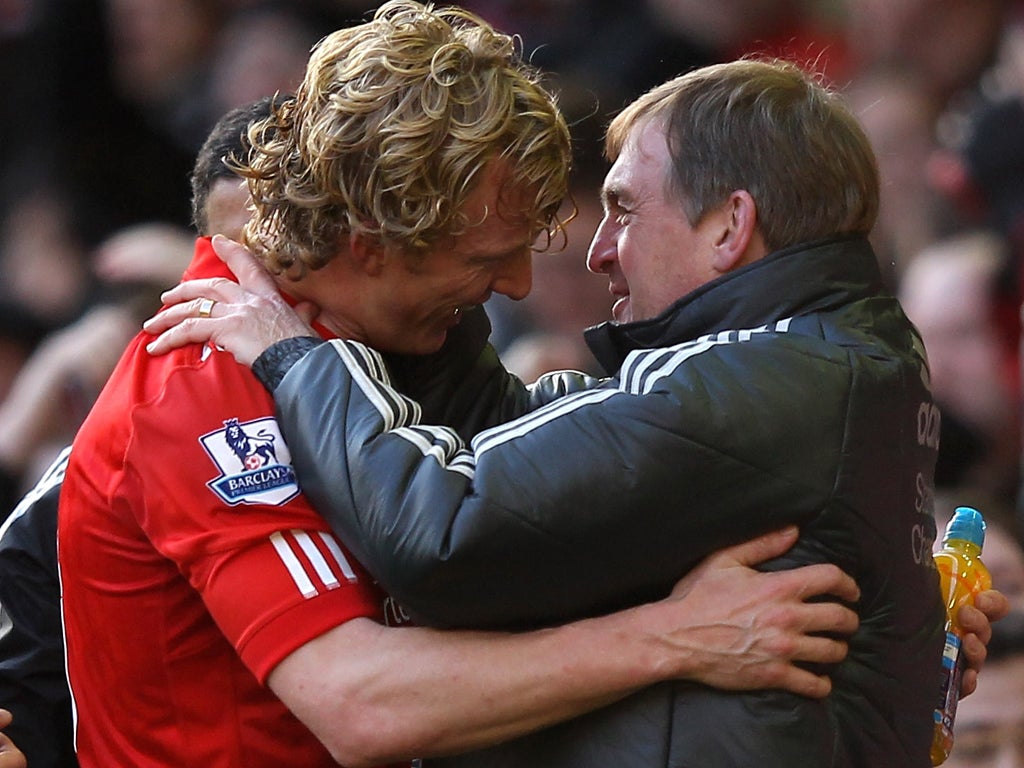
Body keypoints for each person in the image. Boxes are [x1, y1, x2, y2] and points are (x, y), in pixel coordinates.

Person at [56, 5, 870, 767]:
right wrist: (676, 637)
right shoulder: (204, 377)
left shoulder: (403, 333)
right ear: (372, 242)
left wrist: (888, 597)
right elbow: (358, 703)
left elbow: (580, 518)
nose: (517, 285)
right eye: (486, 260)